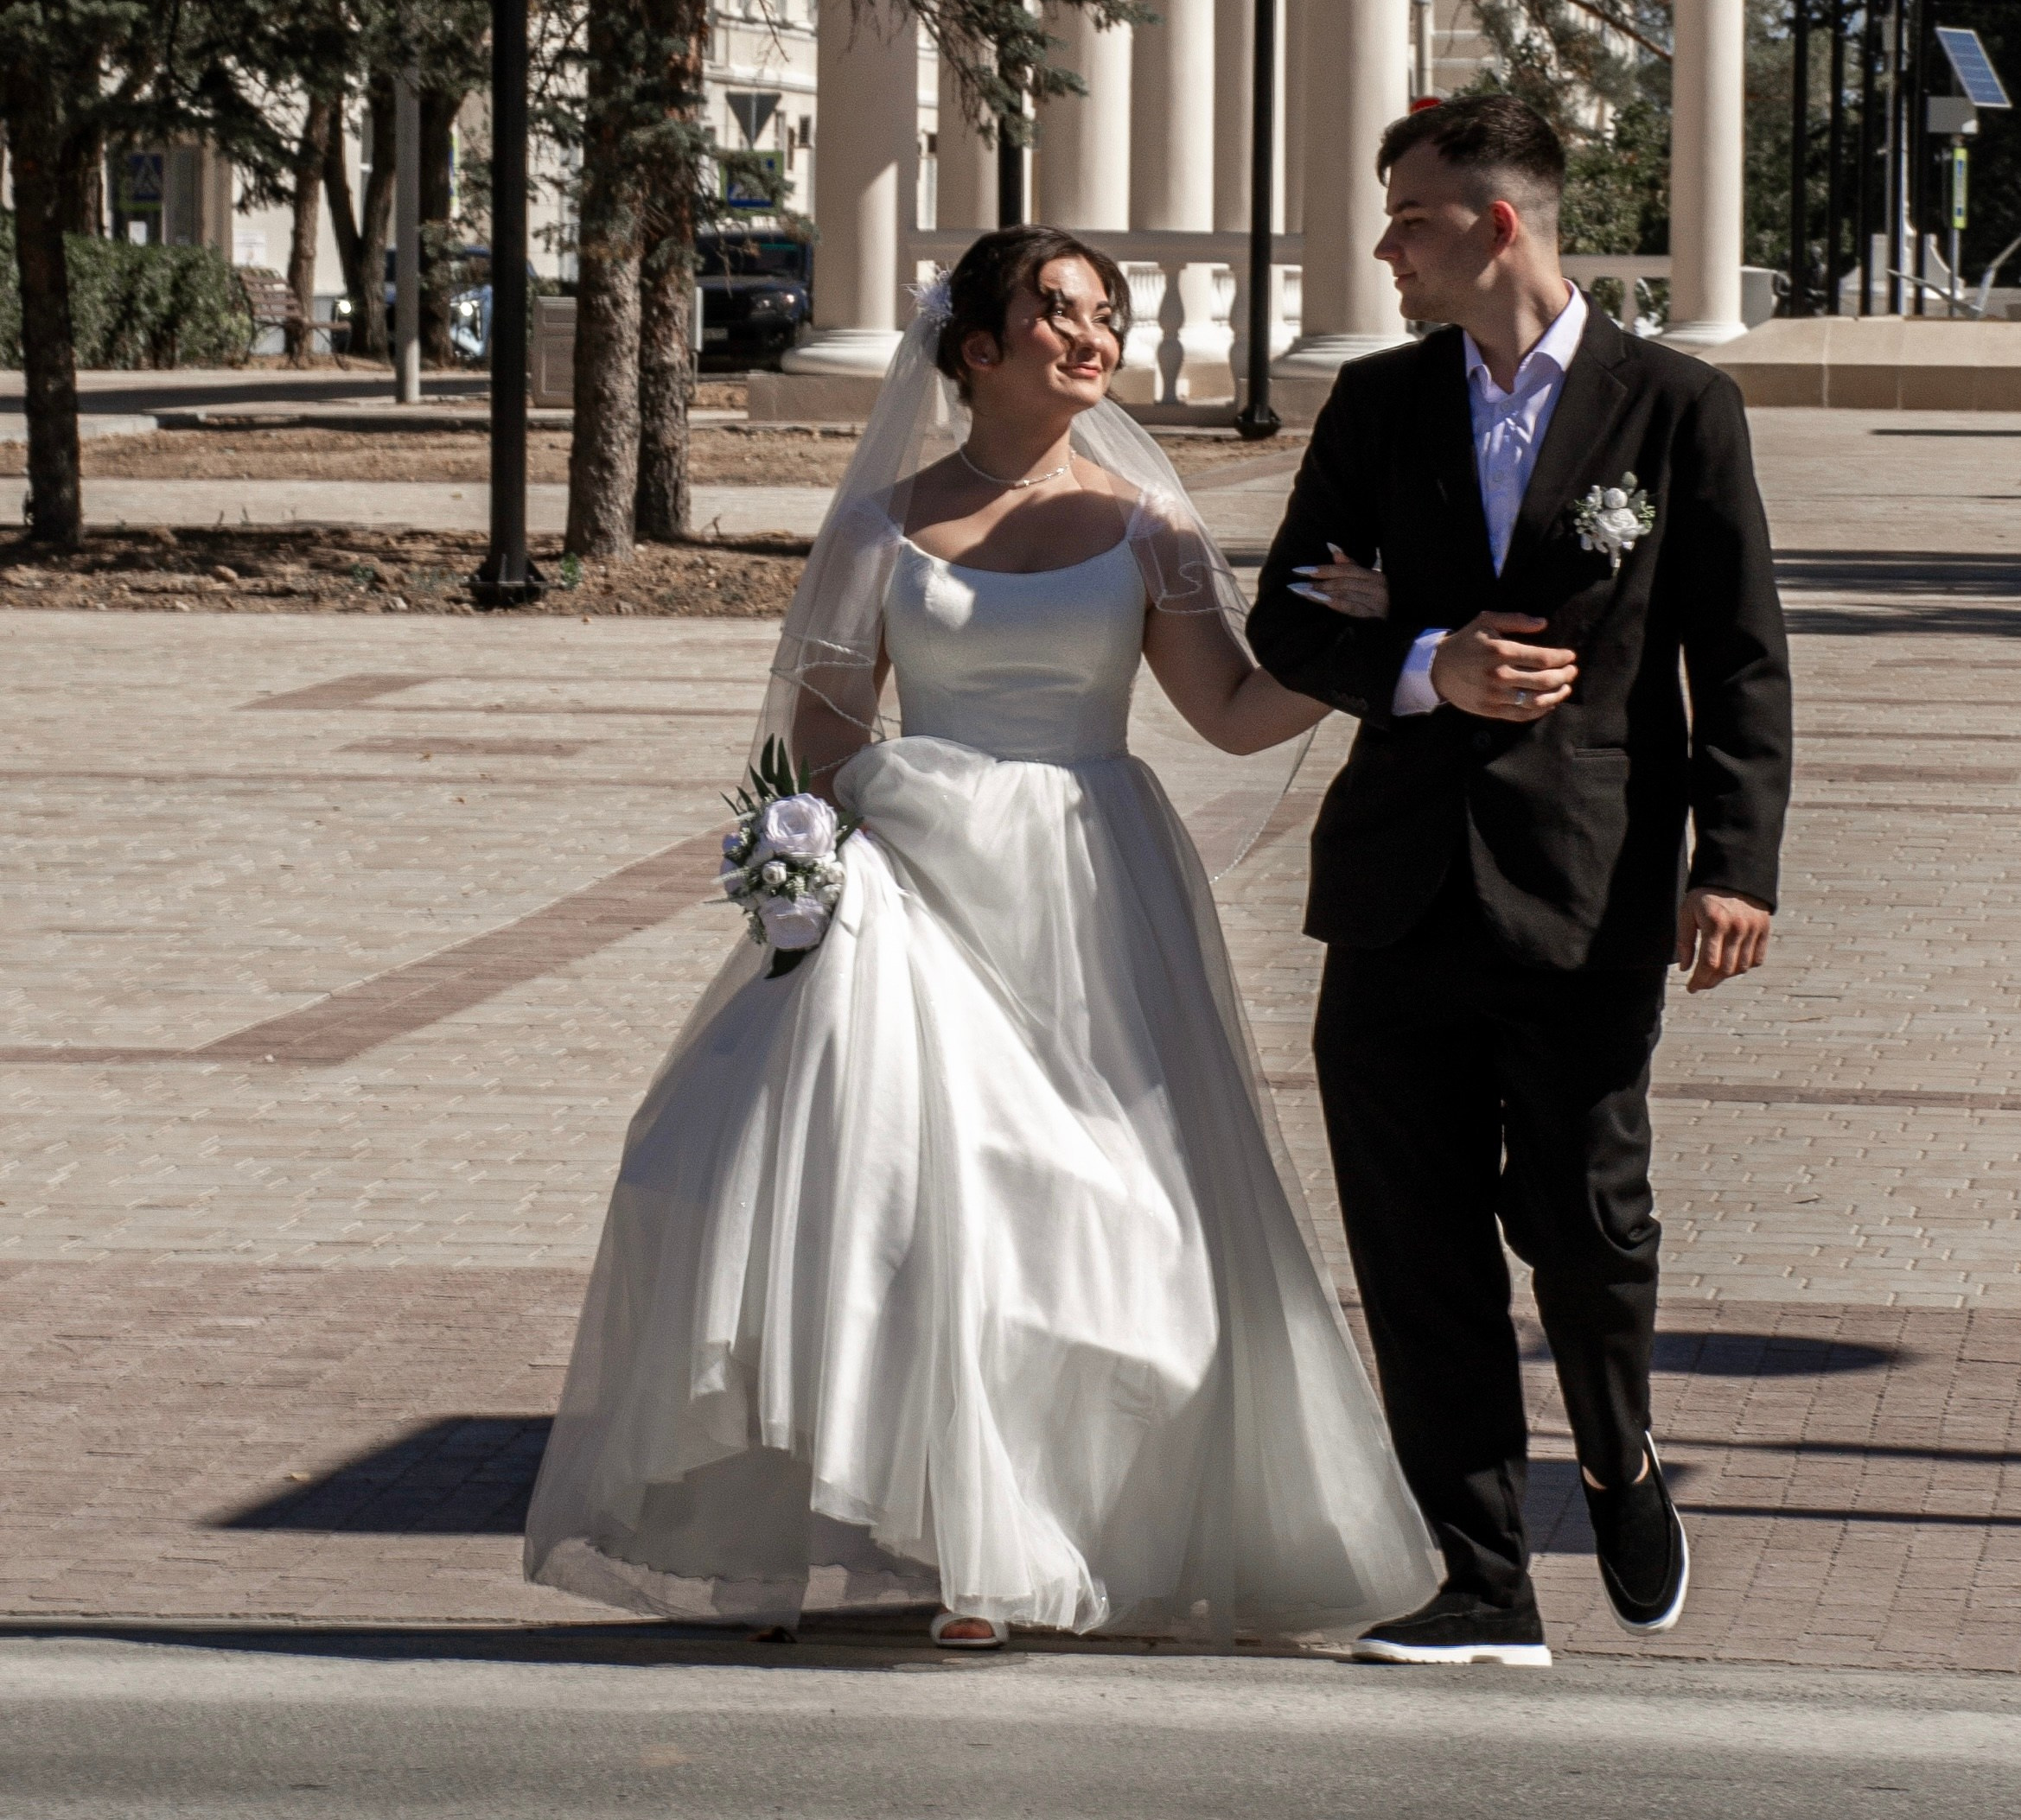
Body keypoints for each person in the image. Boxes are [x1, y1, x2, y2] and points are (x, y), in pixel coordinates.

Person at [526, 226, 1437, 1648]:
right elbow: (823, 734)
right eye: (1058, 310)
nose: (1092, 335)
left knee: (1109, 1204)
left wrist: (1369, 656)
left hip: (1091, 886)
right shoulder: (882, 524)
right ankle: (973, 1545)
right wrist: (813, 869)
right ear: (976, 348)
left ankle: (1075, 1516)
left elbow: (1232, 712)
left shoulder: (1148, 526)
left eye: (1106, 313)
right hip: (916, 884)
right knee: (941, 1196)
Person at [1249, 92, 1791, 1668]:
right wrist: (1424, 658)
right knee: (1414, 1244)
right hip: (1400, 889)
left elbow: (1737, 656)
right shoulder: (1374, 404)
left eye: (1407, 218)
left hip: (1588, 884)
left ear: (1496, 225)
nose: (1383, 247)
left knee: (1587, 1221)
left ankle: (1618, 1457)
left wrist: (1733, 861)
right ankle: (1479, 1575)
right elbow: (1291, 620)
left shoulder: (1677, 407)